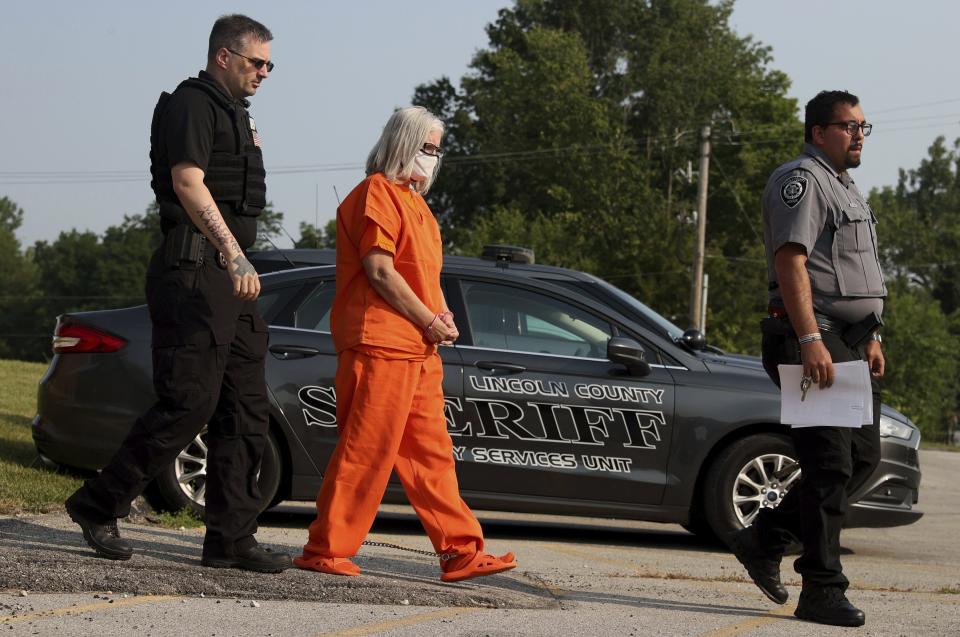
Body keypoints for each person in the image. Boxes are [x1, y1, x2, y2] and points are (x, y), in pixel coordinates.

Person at [64, 14, 291, 574]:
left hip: (229, 277)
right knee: (190, 400)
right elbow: (189, 183)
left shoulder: (237, 113)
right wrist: (232, 253)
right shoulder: (193, 103)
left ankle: (231, 539)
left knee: (246, 408)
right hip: (196, 268)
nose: (264, 72)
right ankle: (98, 503)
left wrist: (240, 258)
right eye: (255, 61)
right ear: (223, 56)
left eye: (269, 64)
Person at [294, 106, 517, 583]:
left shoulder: (415, 202)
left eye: (437, 150)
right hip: (380, 344)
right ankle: (325, 549)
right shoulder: (376, 193)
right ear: (401, 143)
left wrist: (441, 317)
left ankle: (460, 551)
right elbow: (379, 271)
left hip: (416, 348)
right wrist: (429, 320)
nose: (433, 158)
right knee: (366, 450)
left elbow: (419, 279)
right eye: (426, 147)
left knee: (432, 455)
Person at [729, 90, 885, 627]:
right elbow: (792, 262)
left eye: (864, 126)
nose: (859, 134)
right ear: (819, 132)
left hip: (846, 339)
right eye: (849, 126)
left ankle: (764, 537)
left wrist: (870, 333)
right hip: (808, 336)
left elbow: (851, 270)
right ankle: (821, 589)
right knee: (827, 464)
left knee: (863, 457)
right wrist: (813, 337)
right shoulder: (801, 180)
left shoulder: (846, 187)